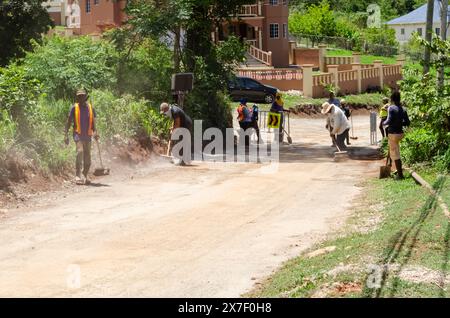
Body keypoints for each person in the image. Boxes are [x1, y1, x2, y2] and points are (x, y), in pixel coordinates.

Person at [64, 89, 99, 185]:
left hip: (88, 135)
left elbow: (94, 123)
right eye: (79, 96)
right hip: (78, 134)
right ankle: (77, 175)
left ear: (85, 97)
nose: (80, 98)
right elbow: (68, 122)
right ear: (77, 97)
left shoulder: (91, 108)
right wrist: (65, 134)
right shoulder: (74, 108)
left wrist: (96, 132)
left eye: (82, 96)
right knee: (80, 152)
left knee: (88, 157)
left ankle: (85, 174)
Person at [383, 92, 410, 180]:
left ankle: (400, 175)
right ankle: (393, 167)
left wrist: (383, 123)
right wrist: (399, 123)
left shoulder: (391, 108)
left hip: (393, 134)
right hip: (400, 134)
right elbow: (407, 123)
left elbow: (389, 120)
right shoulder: (403, 109)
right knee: (394, 151)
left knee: (396, 154)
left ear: (392, 99)